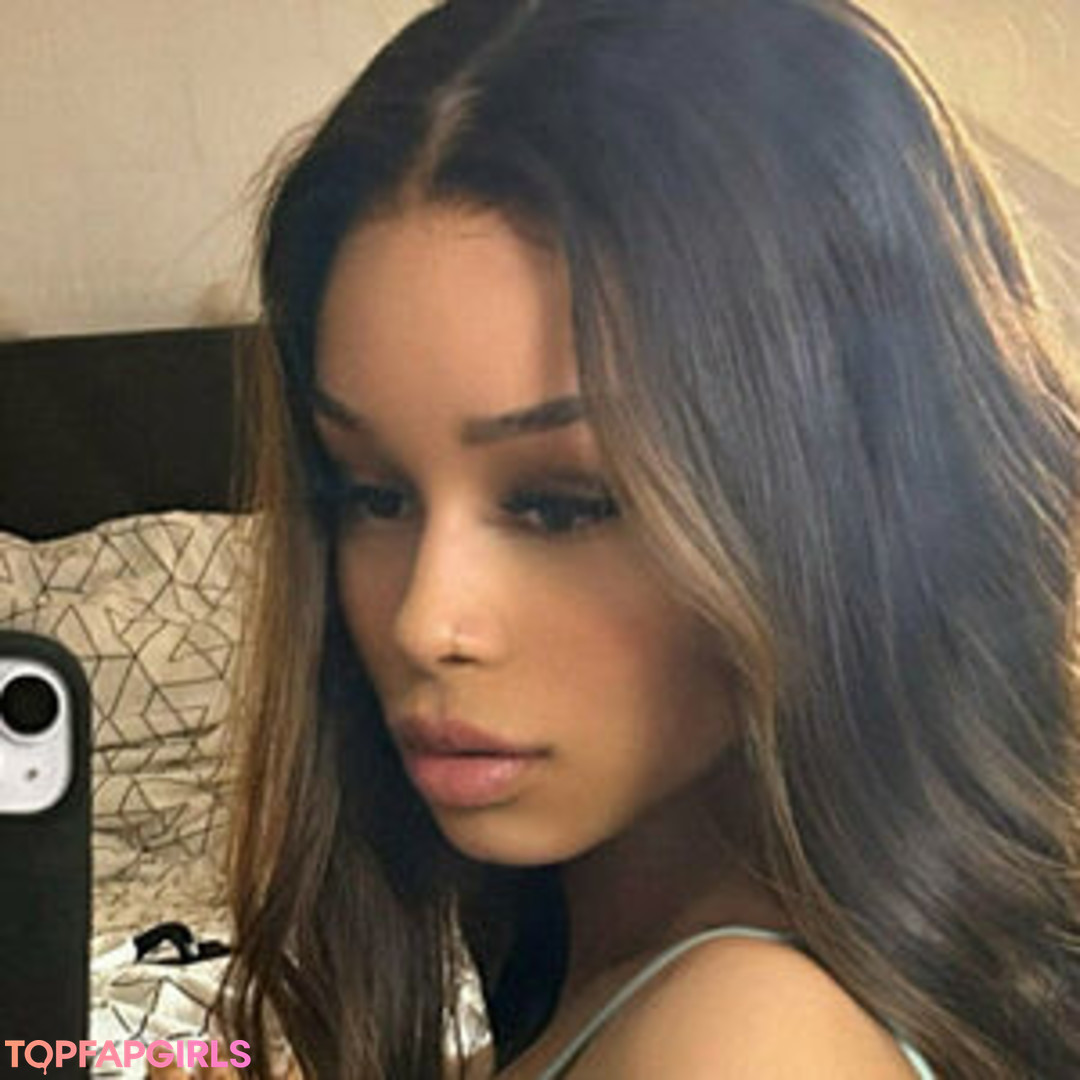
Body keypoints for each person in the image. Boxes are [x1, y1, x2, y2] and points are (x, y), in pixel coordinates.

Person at [217, 0, 1080, 1076]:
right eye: (372, 494)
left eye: (561, 505)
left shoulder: (747, 1045)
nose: (424, 622)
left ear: (837, 504)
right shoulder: (649, 968)